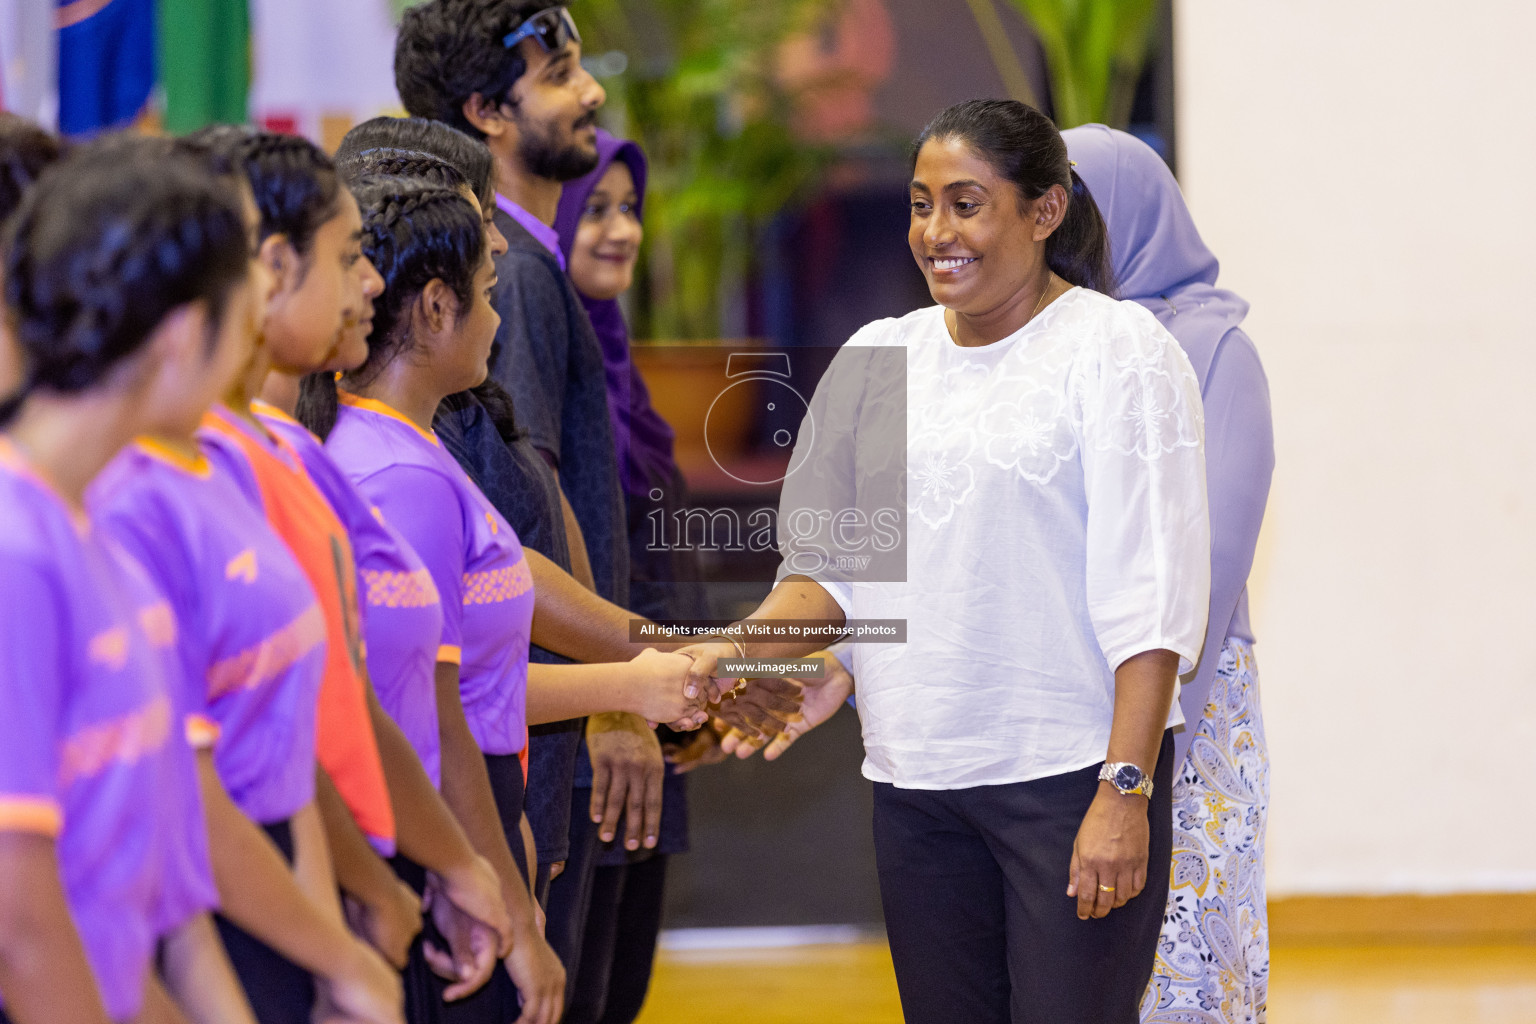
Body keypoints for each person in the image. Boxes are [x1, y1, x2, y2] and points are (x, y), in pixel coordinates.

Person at [681, 98, 1212, 1024]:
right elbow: (830, 582)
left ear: (1045, 212)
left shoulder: (1117, 351)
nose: (937, 232)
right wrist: (728, 656)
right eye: (922, 204)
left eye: (966, 203)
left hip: (1068, 780)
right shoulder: (881, 358)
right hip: (916, 783)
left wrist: (1125, 791)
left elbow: (1153, 597)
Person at [318, 175, 707, 1024]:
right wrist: (488, 876)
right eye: (487, 295)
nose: (499, 318)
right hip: (439, 847)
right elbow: (429, 708)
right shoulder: (393, 477)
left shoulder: (420, 456)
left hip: (479, 824)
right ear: (432, 310)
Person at [89, 141, 406, 1024]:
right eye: (245, 263)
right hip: (191, 909)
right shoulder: (117, 500)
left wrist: (325, 947)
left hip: (270, 897)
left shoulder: (220, 464)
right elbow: (184, 791)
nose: (260, 291)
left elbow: (291, 735)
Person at [0, 137, 257, 1024]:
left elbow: (115, 914)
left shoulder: (85, 523)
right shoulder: (17, 550)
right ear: (186, 333)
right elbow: (22, 924)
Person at [1063, 124, 1274, 1024]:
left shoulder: (1211, 350)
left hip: (1175, 698)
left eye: (1072, 212)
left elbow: (1206, 569)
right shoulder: (1052, 344)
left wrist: (1133, 715)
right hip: (1061, 703)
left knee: (1176, 970)